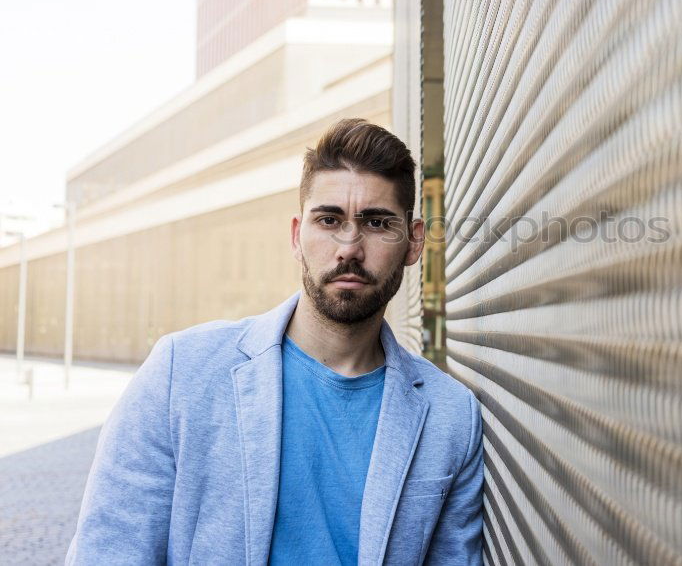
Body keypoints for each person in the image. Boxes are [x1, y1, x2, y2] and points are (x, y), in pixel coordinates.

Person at [67, 119, 484, 565]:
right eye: (328, 220)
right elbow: (109, 550)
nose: (349, 247)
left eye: (377, 223)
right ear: (296, 237)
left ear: (413, 242)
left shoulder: (450, 415)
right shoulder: (181, 372)